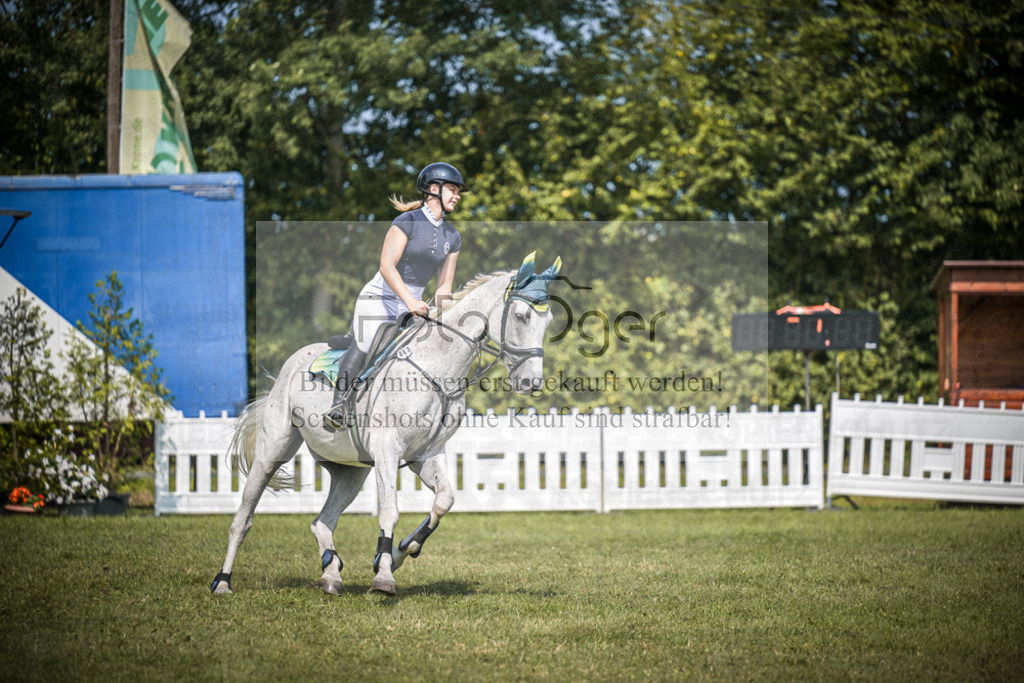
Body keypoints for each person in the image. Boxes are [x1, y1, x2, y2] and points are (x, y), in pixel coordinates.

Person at [325, 162, 468, 429]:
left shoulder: (453, 236)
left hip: (413, 306)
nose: (457, 195)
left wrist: (445, 317)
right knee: (366, 342)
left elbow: (444, 286)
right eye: (452, 189)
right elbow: (386, 266)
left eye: (458, 191)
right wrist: (411, 301)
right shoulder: (406, 222)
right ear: (433, 190)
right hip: (380, 296)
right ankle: (339, 406)